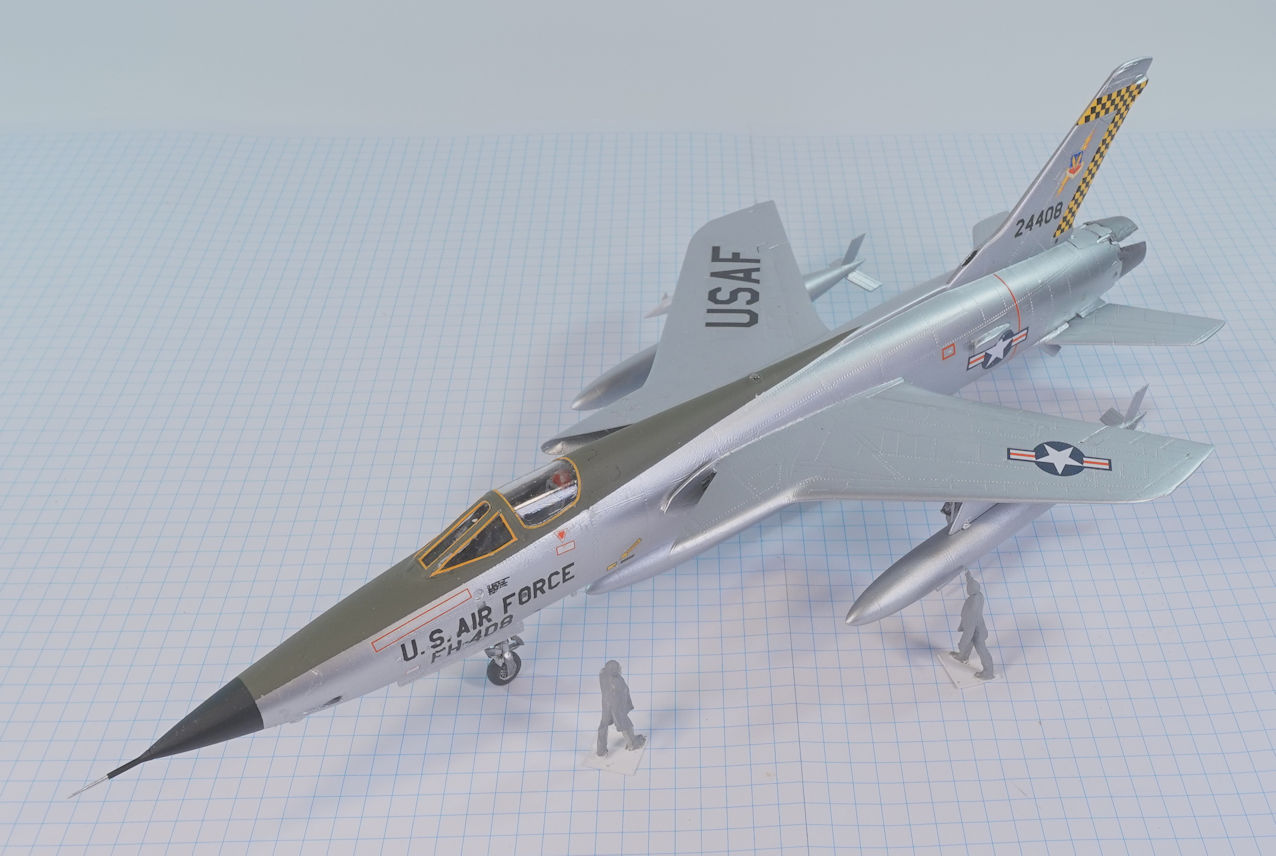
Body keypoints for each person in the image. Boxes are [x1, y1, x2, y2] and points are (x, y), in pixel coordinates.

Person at [950, 570, 994, 680]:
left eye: (968, 588)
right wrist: (968, 576)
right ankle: (963, 657)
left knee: (981, 651)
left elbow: (969, 631)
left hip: (977, 632)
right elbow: (972, 584)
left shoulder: (973, 605)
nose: (967, 589)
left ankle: (988, 672)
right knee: (968, 644)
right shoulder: (978, 594)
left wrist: (962, 643)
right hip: (976, 628)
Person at [596, 660, 645, 756]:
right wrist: (625, 707)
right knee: (625, 724)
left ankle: (600, 750)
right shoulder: (618, 681)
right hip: (616, 707)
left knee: (603, 726)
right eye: (618, 668)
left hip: (606, 705)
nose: (620, 670)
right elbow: (622, 695)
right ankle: (633, 743)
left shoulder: (602, 675)